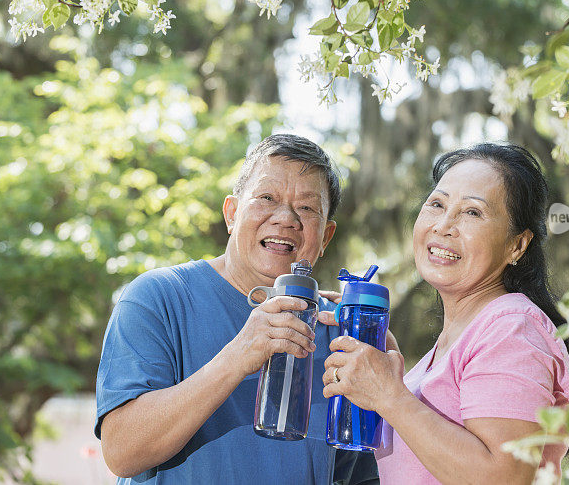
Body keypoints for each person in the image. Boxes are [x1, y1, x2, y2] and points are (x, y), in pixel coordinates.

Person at [95, 134, 378, 484]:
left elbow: (358, 475)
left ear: (326, 237)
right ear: (231, 213)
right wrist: (238, 356)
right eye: (267, 198)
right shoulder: (159, 297)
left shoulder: (339, 332)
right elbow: (122, 452)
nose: (286, 218)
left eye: (307, 207)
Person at [319, 143, 569, 484]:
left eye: (472, 212)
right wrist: (385, 364)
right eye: (437, 204)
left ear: (517, 244)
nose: (444, 225)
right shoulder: (459, 339)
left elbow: (505, 476)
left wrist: (389, 395)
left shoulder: (511, 329)